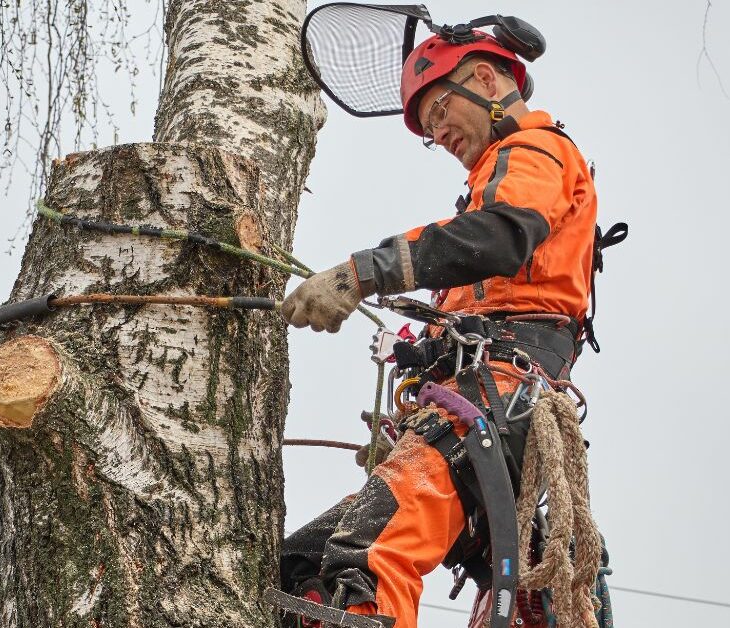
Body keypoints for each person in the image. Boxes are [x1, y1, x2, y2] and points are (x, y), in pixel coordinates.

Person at [279, 27, 601, 628]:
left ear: (485, 79)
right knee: (302, 562)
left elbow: (500, 234)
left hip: (497, 396)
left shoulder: (536, 153)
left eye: (440, 110)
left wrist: (363, 273)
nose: (439, 133)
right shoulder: (487, 190)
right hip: (463, 405)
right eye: (428, 129)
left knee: (371, 553)